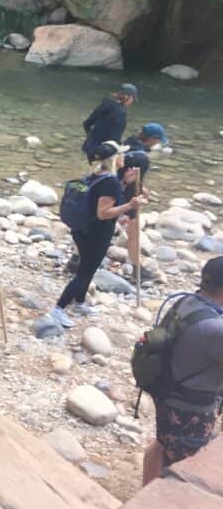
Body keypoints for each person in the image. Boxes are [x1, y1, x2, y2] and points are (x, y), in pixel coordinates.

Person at [143, 257, 223, 485]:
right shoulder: (215, 329)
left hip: (167, 392)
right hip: (190, 409)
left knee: (163, 443)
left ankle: (143, 498)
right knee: (183, 471)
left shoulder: (188, 301)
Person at [49, 141, 144, 328]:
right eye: (121, 155)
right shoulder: (109, 181)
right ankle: (58, 309)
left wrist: (125, 183)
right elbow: (103, 213)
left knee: (88, 268)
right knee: (85, 273)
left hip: (82, 229)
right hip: (96, 234)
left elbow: (100, 201)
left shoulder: (95, 175)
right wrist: (130, 206)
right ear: (114, 159)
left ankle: (79, 303)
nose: (124, 158)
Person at [120, 123, 168, 272]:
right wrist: (138, 197)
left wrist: (142, 187)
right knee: (133, 233)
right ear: (152, 139)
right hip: (126, 198)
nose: (158, 144)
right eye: (158, 140)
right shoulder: (142, 158)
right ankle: (137, 269)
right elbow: (133, 182)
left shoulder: (127, 143)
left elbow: (125, 172)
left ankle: (75, 259)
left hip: (109, 189)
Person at [82, 83, 138, 161]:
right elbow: (114, 139)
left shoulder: (104, 105)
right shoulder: (121, 114)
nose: (132, 102)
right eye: (133, 99)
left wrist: (92, 137)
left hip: (87, 148)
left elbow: (86, 124)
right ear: (128, 97)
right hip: (101, 154)